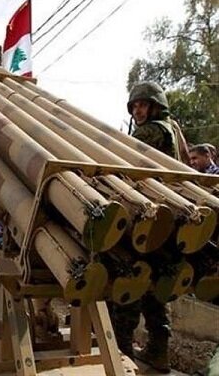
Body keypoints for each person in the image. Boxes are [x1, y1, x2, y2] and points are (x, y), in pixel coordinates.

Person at [112, 81, 177, 373]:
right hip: (164, 219)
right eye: (134, 106)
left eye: (142, 105)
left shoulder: (153, 131)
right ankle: (157, 351)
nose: (137, 111)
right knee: (154, 289)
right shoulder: (172, 129)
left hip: (147, 216)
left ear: (155, 107)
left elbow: (124, 161)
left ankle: (122, 354)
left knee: (130, 282)